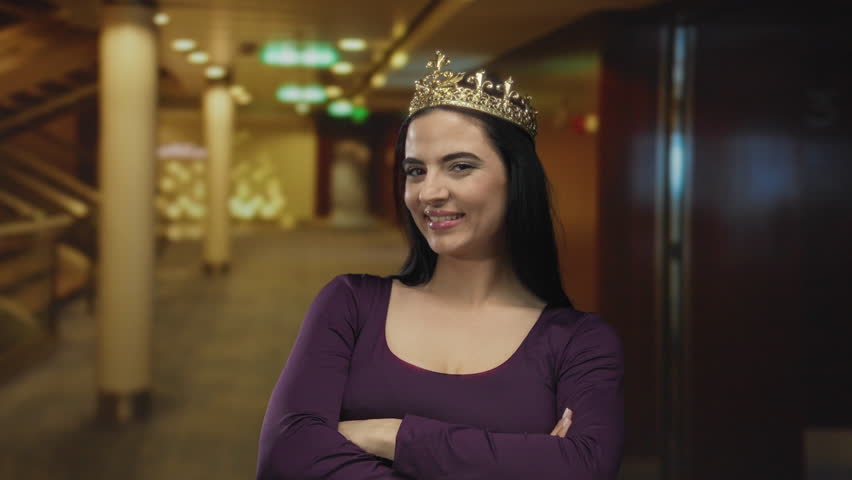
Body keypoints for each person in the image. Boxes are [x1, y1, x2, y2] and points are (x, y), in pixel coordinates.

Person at [256, 51, 624, 480]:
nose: (428, 192)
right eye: (415, 170)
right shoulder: (351, 304)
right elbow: (285, 459)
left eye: (460, 166)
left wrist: (387, 435)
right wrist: (523, 460)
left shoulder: (579, 343)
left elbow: (585, 468)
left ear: (516, 177)